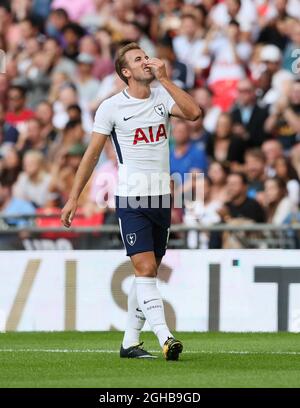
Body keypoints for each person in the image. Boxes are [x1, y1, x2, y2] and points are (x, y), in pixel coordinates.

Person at [61, 42, 201, 361]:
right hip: (131, 197)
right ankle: (166, 337)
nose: (147, 62)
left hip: (161, 198)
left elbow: (194, 114)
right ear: (126, 72)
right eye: (139, 59)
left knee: (146, 274)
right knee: (146, 267)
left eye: (147, 56)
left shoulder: (163, 97)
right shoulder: (111, 108)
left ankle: (129, 342)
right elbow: (92, 155)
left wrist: (166, 79)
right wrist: (73, 198)